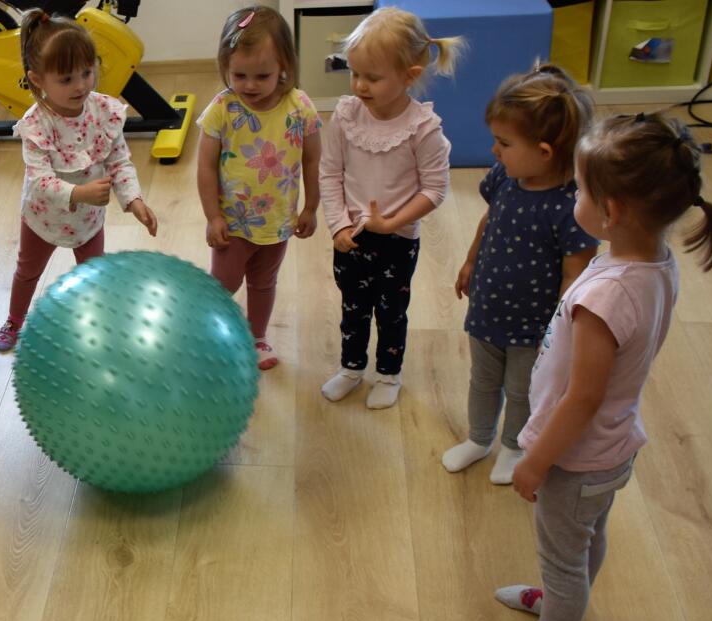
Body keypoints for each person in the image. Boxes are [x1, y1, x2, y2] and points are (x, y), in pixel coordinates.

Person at [481, 114, 712, 621]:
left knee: (562, 556)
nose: (574, 197)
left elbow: (583, 398)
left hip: (576, 458)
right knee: (585, 540)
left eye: (580, 190)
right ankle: (565, 602)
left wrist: (536, 461)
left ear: (611, 211)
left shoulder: (608, 297)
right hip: (612, 447)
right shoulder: (654, 263)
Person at [444, 65, 599, 484]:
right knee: (482, 380)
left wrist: (561, 329)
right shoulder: (506, 177)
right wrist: (471, 261)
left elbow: (577, 275)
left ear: (545, 152)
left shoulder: (572, 207)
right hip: (488, 308)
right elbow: (489, 221)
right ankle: (479, 439)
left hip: (534, 326)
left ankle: (514, 446)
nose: (494, 150)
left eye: (504, 142)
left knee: (522, 390)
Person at [0, 8, 158, 353]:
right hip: (42, 219)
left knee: (94, 274)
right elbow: (39, 181)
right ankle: (14, 320)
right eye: (66, 79)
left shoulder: (105, 111)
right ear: (38, 79)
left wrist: (134, 199)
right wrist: (80, 192)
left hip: (89, 221)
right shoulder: (36, 125)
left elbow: (119, 160)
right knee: (27, 271)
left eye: (87, 72)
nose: (81, 85)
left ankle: (94, 325)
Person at [319, 7, 461, 408]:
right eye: (354, 73)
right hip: (351, 237)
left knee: (391, 311)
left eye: (372, 77)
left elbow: (435, 188)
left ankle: (388, 374)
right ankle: (351, 368)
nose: (359, 85)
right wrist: (337, 225)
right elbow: (329, 172)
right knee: (353, 308)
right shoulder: (346, 115)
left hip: (397, 241)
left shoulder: (423, 129)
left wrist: (393, 222)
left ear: (409, 76)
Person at [197, 6, 321, 371]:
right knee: (223, 284)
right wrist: (213, 216)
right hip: (234, 222)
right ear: (225, 66)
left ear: (284, 65)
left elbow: (313, 160)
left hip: (278, 220)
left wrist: (311, 207)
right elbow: (205, 166)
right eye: (239, 75)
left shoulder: (300, 107)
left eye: (262, 76)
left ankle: (256, 338)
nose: (250, 85)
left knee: (264, 283)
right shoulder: (223, 108)